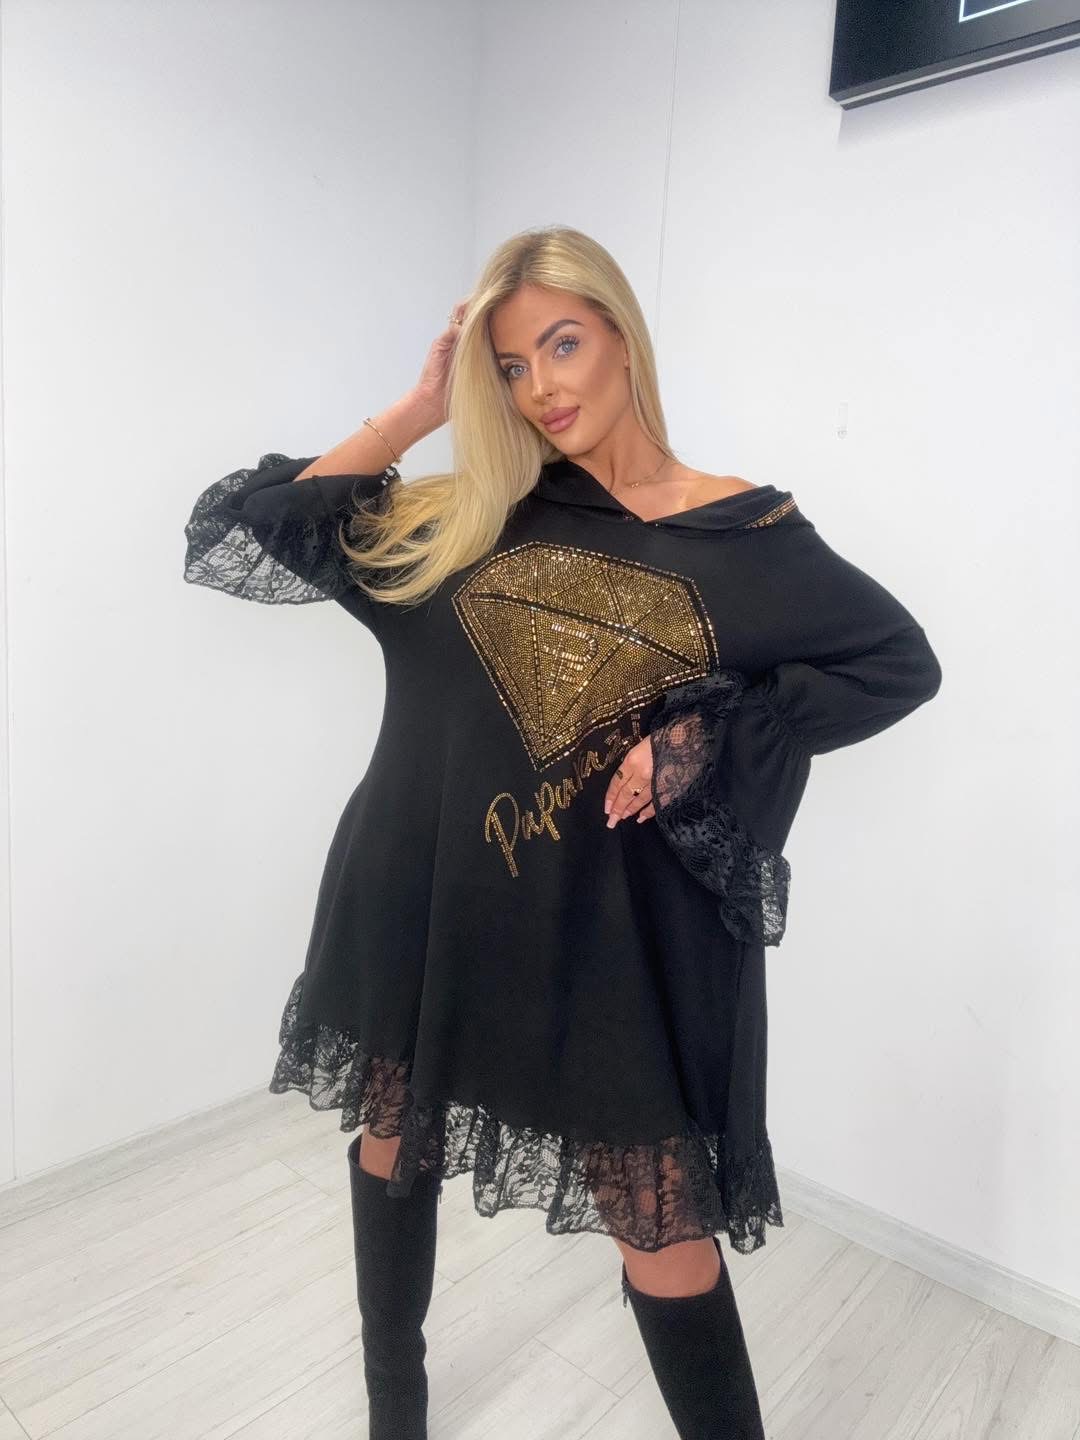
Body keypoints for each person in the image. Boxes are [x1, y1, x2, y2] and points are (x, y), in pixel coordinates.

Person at [183, 224, 942, 1440]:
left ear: (622, 336)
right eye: (510, 366)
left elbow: (896, 663)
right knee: (393, 1135)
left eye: (564, 343)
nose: (541, 385)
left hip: (598, 942)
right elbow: (248, 531)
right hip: (422, 894)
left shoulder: (745, 538)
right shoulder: (470, 518)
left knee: (662, 1223)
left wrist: (702, 738)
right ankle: (396, 1411)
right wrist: (417, 411)